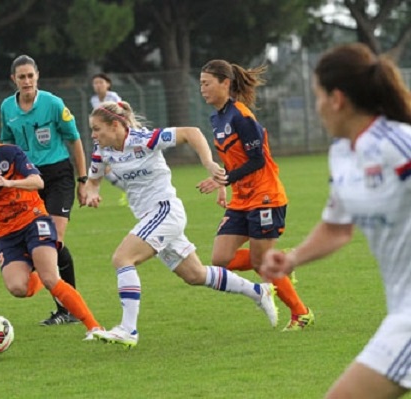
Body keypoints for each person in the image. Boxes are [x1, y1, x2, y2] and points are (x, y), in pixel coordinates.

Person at [260, 43, 411, 399]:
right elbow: (337, 227)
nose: (316, 108)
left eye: (317, 96)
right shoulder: (344, 154)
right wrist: (293, 258)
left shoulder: (399, 145)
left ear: (337, 99)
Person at [84, 100, 279, 348]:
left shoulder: (145, 139)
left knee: (122, 258)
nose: (93, 134)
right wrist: (92, 191)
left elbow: (191, 133)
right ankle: (258, 292)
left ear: (114, 126)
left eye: (97, 128)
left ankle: (128, 329)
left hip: (165, 211)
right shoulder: (102, 150)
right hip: (150, 217)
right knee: (195, 275)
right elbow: (93, 179)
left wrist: (209, 164)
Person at [0, 112, 103, 341]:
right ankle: (39, 267)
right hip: (6, 234)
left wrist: (9, 182)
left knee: (52, 279)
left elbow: (38, 182)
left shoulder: (10, 153)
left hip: (34, 221)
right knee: (18, 289)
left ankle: (94, 327)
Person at [198, 59, 314, 331]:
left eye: (206, 83)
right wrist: (223, 186)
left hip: (265, 196)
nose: (202, 89)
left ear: (225, 83)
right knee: (220, 260)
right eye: (200, 84)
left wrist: (226, 178)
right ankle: (280, 260)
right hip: (241, 198)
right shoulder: (216, 117)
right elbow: (231, 158)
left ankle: (301, 313)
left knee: (262, 263)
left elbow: (256, 160)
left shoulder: (241, 115)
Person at [0, 54, 87, 326]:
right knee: (44, 245)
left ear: (37, 76)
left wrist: (83, 180)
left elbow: (74, 140)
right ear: (13, 79)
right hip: (28, 180)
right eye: (21, 76)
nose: (26, 81)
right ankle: (64, 307)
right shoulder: (7, 107)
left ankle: (70, 309)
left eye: (30, 75)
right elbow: (8, 144)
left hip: (58, 174)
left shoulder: (53, 104)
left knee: (54, 239)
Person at [89, 72, 128, 206]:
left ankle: (130, 190)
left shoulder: (113, 97)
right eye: (95, 83)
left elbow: (121, 115)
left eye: (101, 82)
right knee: (104, 169)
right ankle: (128, 190)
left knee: (118, 165)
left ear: (108, 84)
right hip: (102, 138)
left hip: (115, 137)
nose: (98, 85)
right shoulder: (93, 100)